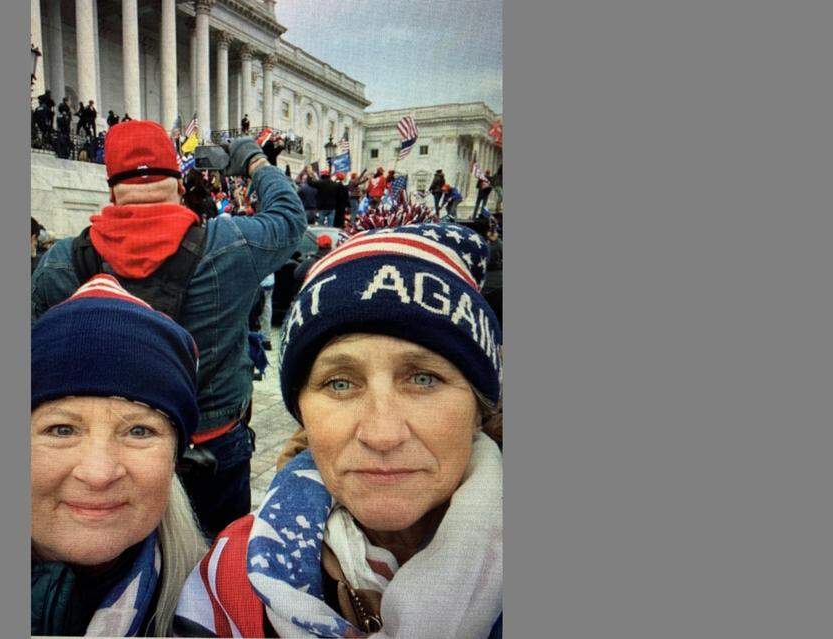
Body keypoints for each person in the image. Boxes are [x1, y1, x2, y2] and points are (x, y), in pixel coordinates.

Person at [174, 223, 503, 639]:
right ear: (303, 414)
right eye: (340, 383)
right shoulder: (228, 578)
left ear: (479, 409)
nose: (382, 434)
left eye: (423, 379)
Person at [31, 120, 306, 539]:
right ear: (179, 186)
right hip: (213, 446)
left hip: (112, 457)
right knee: (216, 563)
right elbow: (289, 215)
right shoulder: (234, 243)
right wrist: (253, 161)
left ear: (111, 191)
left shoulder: (62, 263)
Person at [31, 275, 209, 636]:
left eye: (139, 431)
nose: (99, 473)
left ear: (175, 456)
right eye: (61, 430)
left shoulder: (224, 609)